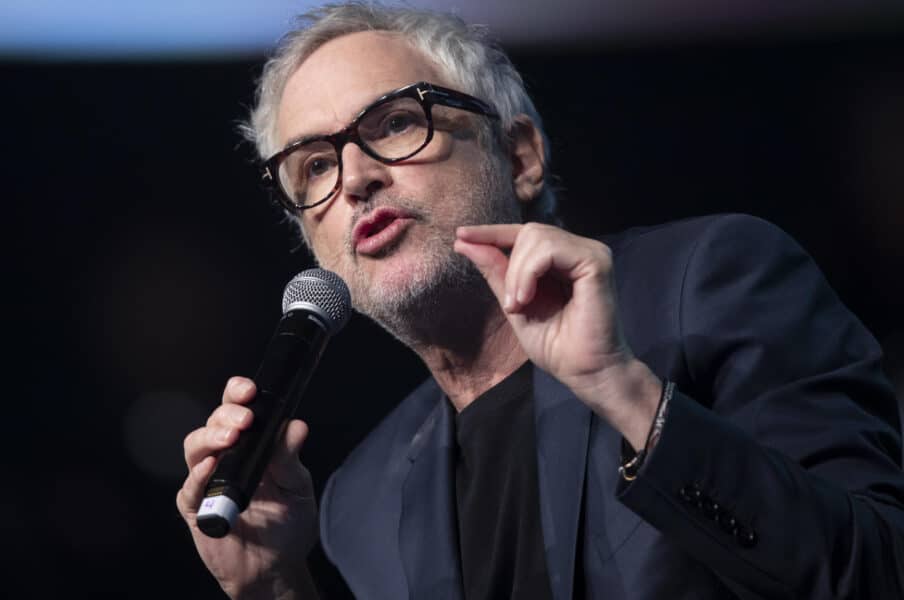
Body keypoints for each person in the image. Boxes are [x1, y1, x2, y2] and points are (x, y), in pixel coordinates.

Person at [176, 3, 904, 598]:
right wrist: (277, 587)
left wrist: (629, 397)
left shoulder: (708, 283)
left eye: (395, 122)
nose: (358, 176)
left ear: (520, 155)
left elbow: (878, 569)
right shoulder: (362, 499)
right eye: (316, 166)